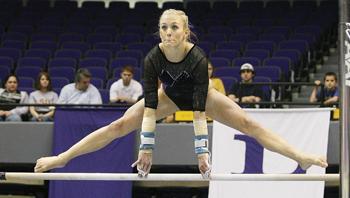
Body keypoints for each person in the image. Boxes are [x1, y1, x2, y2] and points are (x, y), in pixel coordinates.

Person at [35, 9, 327, 177]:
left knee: (249, 124)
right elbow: (150, 108)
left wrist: (202, 152)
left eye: (174, 27)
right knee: (119, 125)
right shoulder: (153, 58)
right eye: (163, 27)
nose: (168, 32)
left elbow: (199, 111)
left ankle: (299, 156)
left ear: (186, 32)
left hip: (203, 99)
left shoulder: (197, 58)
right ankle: (63, 157)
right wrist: (146, 148)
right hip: (169, 96)